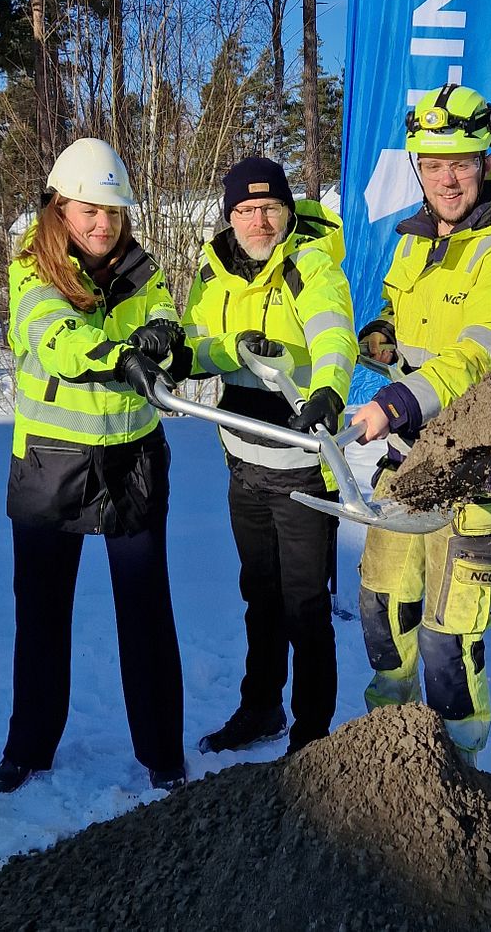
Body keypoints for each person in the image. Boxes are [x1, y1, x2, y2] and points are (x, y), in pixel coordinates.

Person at [0, 138, 190, 794]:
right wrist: (116, 357)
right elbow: (51, 336)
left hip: (132, 461)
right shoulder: (30, 270)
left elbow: (162, 307)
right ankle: (28, 749)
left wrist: (162, 335)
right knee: (42, 614)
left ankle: (162, 753)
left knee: (146, 613)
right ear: (59, 207)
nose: (104, 224)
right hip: (52, 464)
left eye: (114, 211)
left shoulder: (141, 265)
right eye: (89, 210)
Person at [352, 84, 491, 766]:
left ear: (485, 159)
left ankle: (456, 769)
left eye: (461, 161)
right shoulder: (416, 238)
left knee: (447, 635)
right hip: (411, 458)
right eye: (433, 164)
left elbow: (479, 355)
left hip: (478, 465)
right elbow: (406, 327)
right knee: (382, 604)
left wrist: (398, 401)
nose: (447, 177)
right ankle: (392, 745)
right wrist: (380, 338)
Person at [183, 156, 358, 755]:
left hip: (304, 464)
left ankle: (311, 735)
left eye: (270, 208)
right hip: (242, 458)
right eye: (246, 210)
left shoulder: (311, 265)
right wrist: (215, 349)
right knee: (259, 593)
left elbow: (335, 331)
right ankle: (260, 708)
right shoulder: (213, 272)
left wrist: (331, 387)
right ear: (229, 215)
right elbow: (194, 345)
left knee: (306, 605)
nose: (258, 221)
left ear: (287, 210)